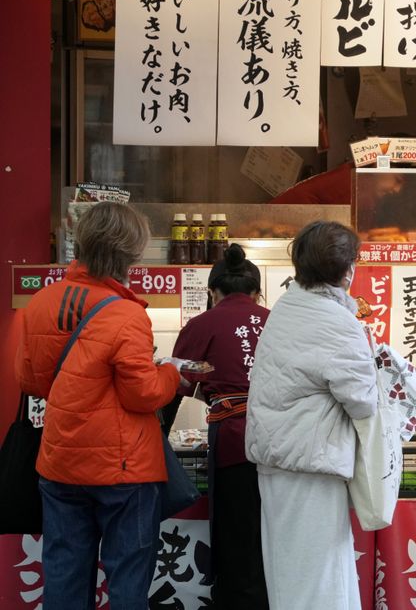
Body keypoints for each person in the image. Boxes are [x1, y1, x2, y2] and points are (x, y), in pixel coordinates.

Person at [15, 201, 182, 609]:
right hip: (124, 470)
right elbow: (141, 393)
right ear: (131, 254)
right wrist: (172, 374)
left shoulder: (40, 303)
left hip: (59, 464)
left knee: (65, 577)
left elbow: (30, 380)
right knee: (127, 580)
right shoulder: (127, 314)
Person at [245, 221, 378, 610]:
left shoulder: (288, 305)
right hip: (310, 465)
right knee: (320, 581)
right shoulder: (336, 322)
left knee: (292, 577)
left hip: (279, 460)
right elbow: (363, 401)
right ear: (347, 270)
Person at [170, 244, 270, 609]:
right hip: (286, 445)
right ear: (257, 292)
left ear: (213, 292)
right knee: (276, 537)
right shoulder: (275, 319)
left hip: (234, 444)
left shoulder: (202, 324)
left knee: (237, 538)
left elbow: (172, 388)